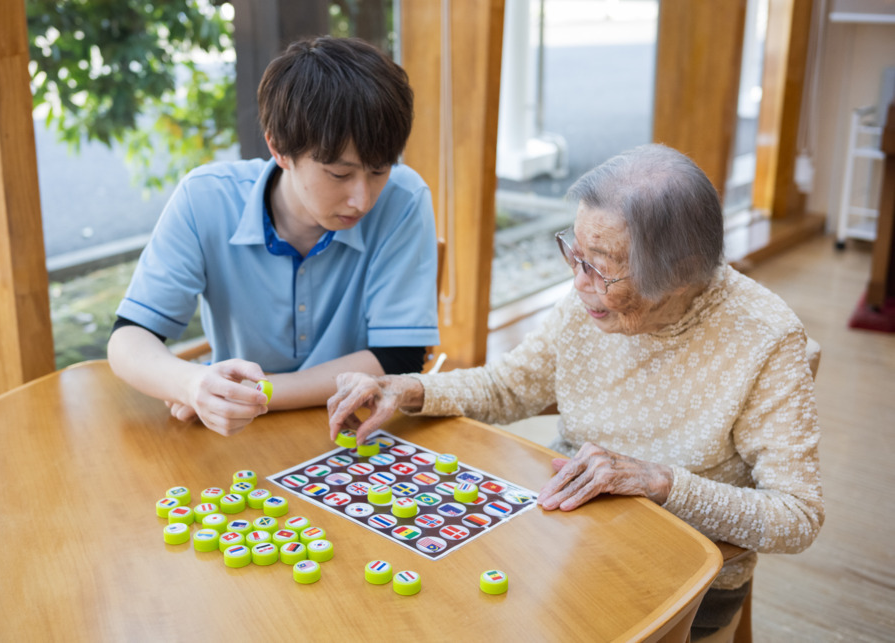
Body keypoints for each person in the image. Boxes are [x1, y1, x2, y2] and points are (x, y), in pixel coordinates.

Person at [327, 144, 823, 640]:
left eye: (600, 267)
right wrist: (406, 388)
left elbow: (797, 516)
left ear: (679, 273)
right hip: (560, 528)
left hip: (682, 573)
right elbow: (507, 386)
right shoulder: (592, 295)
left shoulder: (765, 337)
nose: (579, 281)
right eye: (575, 254)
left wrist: (659, 482)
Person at [108, 36, 439, 437]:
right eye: (339, 173)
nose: (362, 198)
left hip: (357, 428)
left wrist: (251, 392)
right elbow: (129, 337)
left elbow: (398, 358)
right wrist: (192, 385)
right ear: (279, 148)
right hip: (237, 434)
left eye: (379, 170)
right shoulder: (205, 198)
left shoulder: (404, 200)